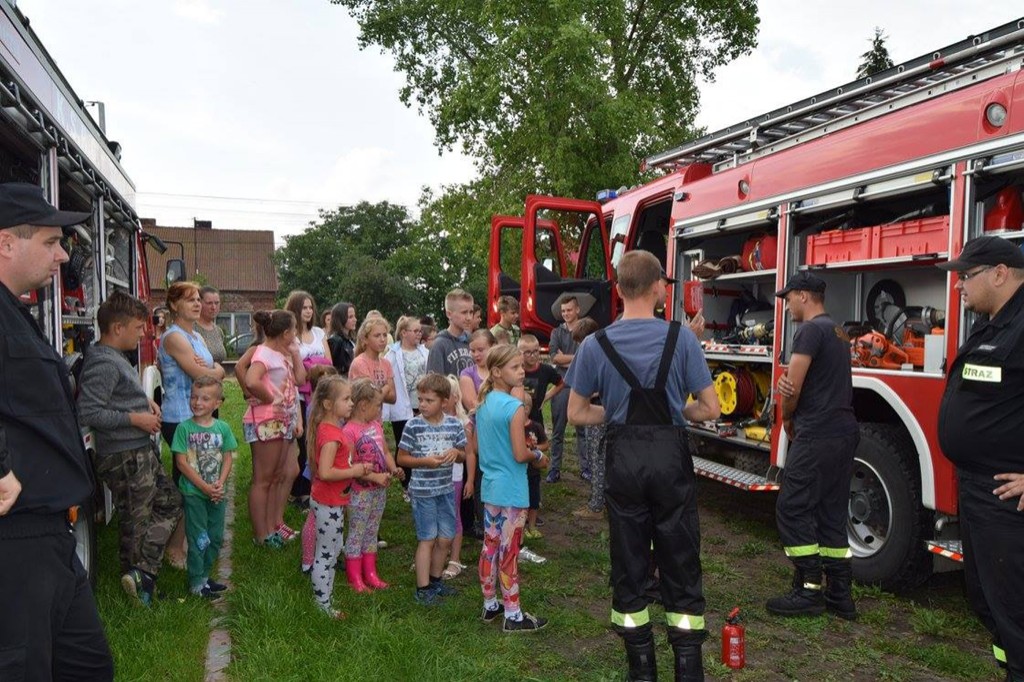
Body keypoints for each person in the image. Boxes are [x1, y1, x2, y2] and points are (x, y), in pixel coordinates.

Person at [566, 250, 719, 681]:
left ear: (617, 290)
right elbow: (711, 407)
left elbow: (576, 413)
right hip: (670, 458)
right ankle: (688, 667)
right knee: (681, 555)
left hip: (624, 461)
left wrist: (615, 413)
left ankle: (641, 667)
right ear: (658, 289)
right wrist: (675, 413)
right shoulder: (682, 338)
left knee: (630, 557)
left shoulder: (596, 344)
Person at [0, 182, 114, 680]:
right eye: (50, 242)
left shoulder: (14, 312)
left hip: (51, 535)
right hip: (15, 539)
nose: (63, 255)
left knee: (88, 666)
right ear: (6, 243)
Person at [936, 236, 1024, 680]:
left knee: (1015, 609)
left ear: (1000, 274)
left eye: (965, 277)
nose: (959, 286)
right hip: (976, 490)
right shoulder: (994, 323)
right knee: (988, 602)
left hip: (1006, 499)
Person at [77, 290, 182, 606]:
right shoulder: (103, 363)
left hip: (137, 451)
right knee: (136, 520)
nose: (143, 334)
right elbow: (89, 412)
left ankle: (141, 574)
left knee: (169, 502)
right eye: (138, 328)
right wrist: (135, 418)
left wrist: (143, 401)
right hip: (124, 456)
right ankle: (140, 587)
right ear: (117, 329)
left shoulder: (113, 358)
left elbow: (116, 396)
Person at [767, 271, 859, 621]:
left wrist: (787, 417)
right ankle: (840, 594)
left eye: (788, 297)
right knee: (830, 513)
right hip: (843, 431)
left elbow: (792, 386)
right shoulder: (838, 332)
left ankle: (808, 589)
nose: (787, 304)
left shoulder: (808, 331)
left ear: (804, 295)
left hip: (817, 432)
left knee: (791, 508)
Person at [476, 344, 549, 633]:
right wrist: (538, 456)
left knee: (489, 547)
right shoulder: (514, 407)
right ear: (496, 371)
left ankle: (490, 603)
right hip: (513, 490)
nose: (522, 371)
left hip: (491, 486)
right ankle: (513, 614)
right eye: (516, 367)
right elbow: (521, 454)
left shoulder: (483, 404)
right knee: (509, 552)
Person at [159, 280, 226, 566]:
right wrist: (213, 370)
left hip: (203, 415)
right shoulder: (174, 337)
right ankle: (174, 548)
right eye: (190, 300)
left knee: (202, 481)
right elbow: (202, 375)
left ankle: (187, 540)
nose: (198, 304)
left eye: (199, 298)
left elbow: (214, 370)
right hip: (181, 418)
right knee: (188, 483)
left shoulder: (196, 336)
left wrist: (211, 370)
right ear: (174, 305)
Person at [396, 373, 467, 605]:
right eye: (421, 399)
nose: (423, 405)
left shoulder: (454, 425)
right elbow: (402, 458)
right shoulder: (413, 425)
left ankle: (436, 581)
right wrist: (425, 461)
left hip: (445, 490)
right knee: (427, 539)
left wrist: (457, 454)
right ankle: (423, 589)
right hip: (423, 491)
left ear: (444, 402)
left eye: (429, 400)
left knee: (445, 538)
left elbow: (464, 454)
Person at [306, 375, 371, 618]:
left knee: (331, 550)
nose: (351, 403)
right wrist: (354, 471)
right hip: (328, 502)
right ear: (327, 404)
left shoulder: (332, 429)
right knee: (327, 554)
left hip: (332, 501)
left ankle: (325, 596)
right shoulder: (331, 435)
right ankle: (323, 605)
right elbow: (325, 472)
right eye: (346, 399)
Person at [243, 309, 305, 548]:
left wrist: (296, 354)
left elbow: (300, 380)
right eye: (295, 330)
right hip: (265, 421)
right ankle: (261, 534)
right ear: (286, 332)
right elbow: (251, 380)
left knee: (275, 477)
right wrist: (270, 398)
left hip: (280, 421)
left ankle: (271, 528)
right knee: (263, 479)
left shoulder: (280, 353)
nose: (297, 334)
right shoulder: (264, 353)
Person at [172, 376, 236, 600]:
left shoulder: (223, 428)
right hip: (194, 494)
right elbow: (181, 463)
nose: (197, 402)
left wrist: (219, 483)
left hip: (216, 494)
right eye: (194, 397)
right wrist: (204, 487)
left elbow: (228, 457)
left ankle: (204, 576)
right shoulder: (184, 429)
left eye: (204, 398)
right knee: (199, 537)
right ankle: (195, 583)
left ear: (217, 403)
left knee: (215, 537)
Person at [342, 380, 403, 591]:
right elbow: (350, 465)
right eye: (378, 406)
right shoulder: (349, 431)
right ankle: (355, 578)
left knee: (372, 531)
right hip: (360, 494)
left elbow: (385, 452)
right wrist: (374, 477)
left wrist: (393, 468)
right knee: (357, 533)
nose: (380, 410)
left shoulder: (375, 425)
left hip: (379, 491)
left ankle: (370, 573)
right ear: (363, 405)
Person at [286, 290, 331, 506]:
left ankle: (314, 485)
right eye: (304, 307)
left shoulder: (320, 333)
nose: (308, 311)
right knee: (303, 443)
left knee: (318, 440)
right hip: (301, 394)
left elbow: (328, 363)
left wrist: (313, 365)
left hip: (320, 392)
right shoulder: (291, 337)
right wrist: (312, 364)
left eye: (310, 307)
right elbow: (295, 372)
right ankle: (300, 490)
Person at [300, 363, 341, 573]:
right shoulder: (315, 413)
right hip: (320, 469)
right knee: (315, 516)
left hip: (323, 467)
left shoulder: (321, 412)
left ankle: (325, 554)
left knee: (319, 515)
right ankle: (310, 560)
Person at [383, 315, 429, 490]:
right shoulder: (393, 355)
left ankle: (420, 479)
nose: (419, 334)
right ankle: (406, 484)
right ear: (404, 333)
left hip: (422, 406)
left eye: (420, 331)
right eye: (415, 331)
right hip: (402, 406)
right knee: (404, 444)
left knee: (421, 443)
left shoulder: (425, 352)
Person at [569, 317, 607, 521]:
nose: (578, 346)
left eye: (579, 342)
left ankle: (596, 506)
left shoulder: (594, 355)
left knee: (597, 458)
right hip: (602, 411)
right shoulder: (607, 351)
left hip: (597, 413)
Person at [441, 375, 475, 580]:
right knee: (437, 516)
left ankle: (455, 558)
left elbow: (469, 453)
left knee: (454, 517)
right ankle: (437, 553)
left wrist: (470, 480)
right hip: (434, 478)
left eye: (445, 397)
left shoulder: (463, 423)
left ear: (455, 397)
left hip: (454, 477)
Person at [546, 295, 583, 483]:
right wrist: (576, 358)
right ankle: (554, 469)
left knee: (582, 430)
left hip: (580, 384)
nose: (566, 314)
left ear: (577, 310)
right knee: (557, 431)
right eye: (563, 311)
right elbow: (554, 358)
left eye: (569, 310)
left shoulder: (585, 330)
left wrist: (565, 358)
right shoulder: (556, 333)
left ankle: (586, 469)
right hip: (561, 385)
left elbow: (587, 355)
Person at [349, 317, 398, 406]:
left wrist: (378, 391)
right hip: (362, 417)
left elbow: (393, 397)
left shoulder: (386, 363)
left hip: (378, 417)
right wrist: (386, 387)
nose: (382, 339)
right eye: (377, 335)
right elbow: (370, 396)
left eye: (385, 335)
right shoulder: (360, 362)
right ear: (365, 339)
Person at [520, 393, 550, 540]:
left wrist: (536, 448)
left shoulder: (536, 426)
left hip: (534, 470)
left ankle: (532, 526)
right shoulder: (515, 427)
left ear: (529, 408)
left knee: (534, 499)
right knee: (522, 501)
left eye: (524, 406)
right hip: (520, 471)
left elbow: (546, 443)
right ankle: (522, 527)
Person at [427, 288, 475, 377]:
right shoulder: (439, 345)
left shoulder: (472, 340)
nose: (469, 317)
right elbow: (434, 384)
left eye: (471, 312)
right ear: (449, 314)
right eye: (464, 312)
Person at [458, 329, 496, 411]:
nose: (476, 354)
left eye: (480, 350)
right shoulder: (467, 373)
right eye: (472, 351)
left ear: (493, 347)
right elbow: (473, 406)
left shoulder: (504, 369)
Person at [195, 286, 227, 365]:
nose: (213, 307)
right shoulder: (192, 329)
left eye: (216, 303)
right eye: (209, 303)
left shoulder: (218, 331)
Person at [327, 301, 358, 376]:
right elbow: (333, 366)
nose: (355, 319)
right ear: (340, 318)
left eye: (354, 316)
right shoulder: (335, 341)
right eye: (350, 317)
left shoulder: (351, 339)